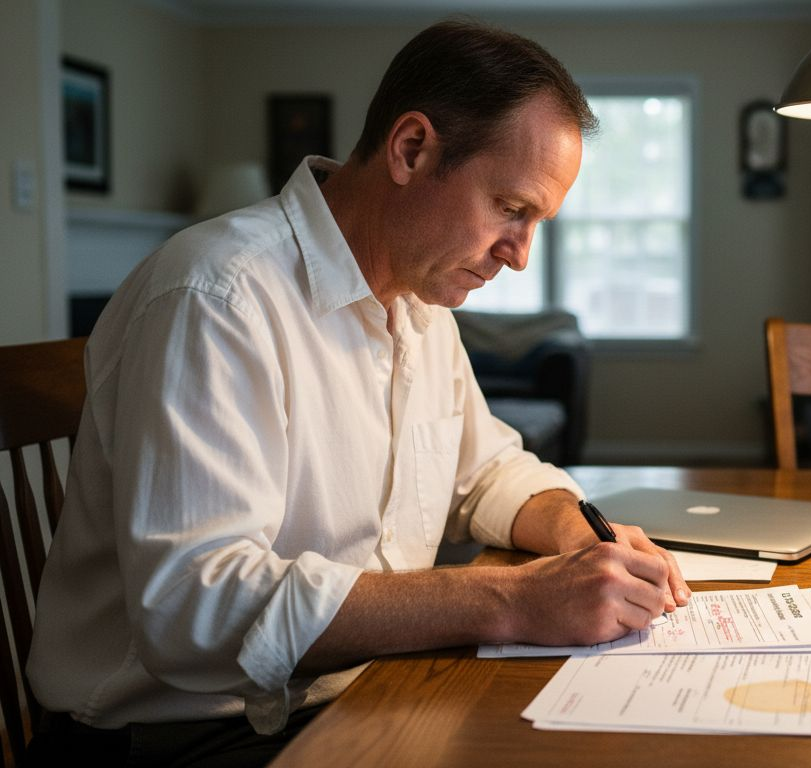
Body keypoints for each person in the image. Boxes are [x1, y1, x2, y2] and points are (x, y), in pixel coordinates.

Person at [25, 19, 689, 766]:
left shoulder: (420, 307)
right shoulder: (216, 298)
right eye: (511, 208)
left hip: (359, 692)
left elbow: (486, 472)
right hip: (186, 738)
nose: (520, 255)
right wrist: (514, 600)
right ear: (411, 149)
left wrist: (576, 531)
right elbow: (193, 606)